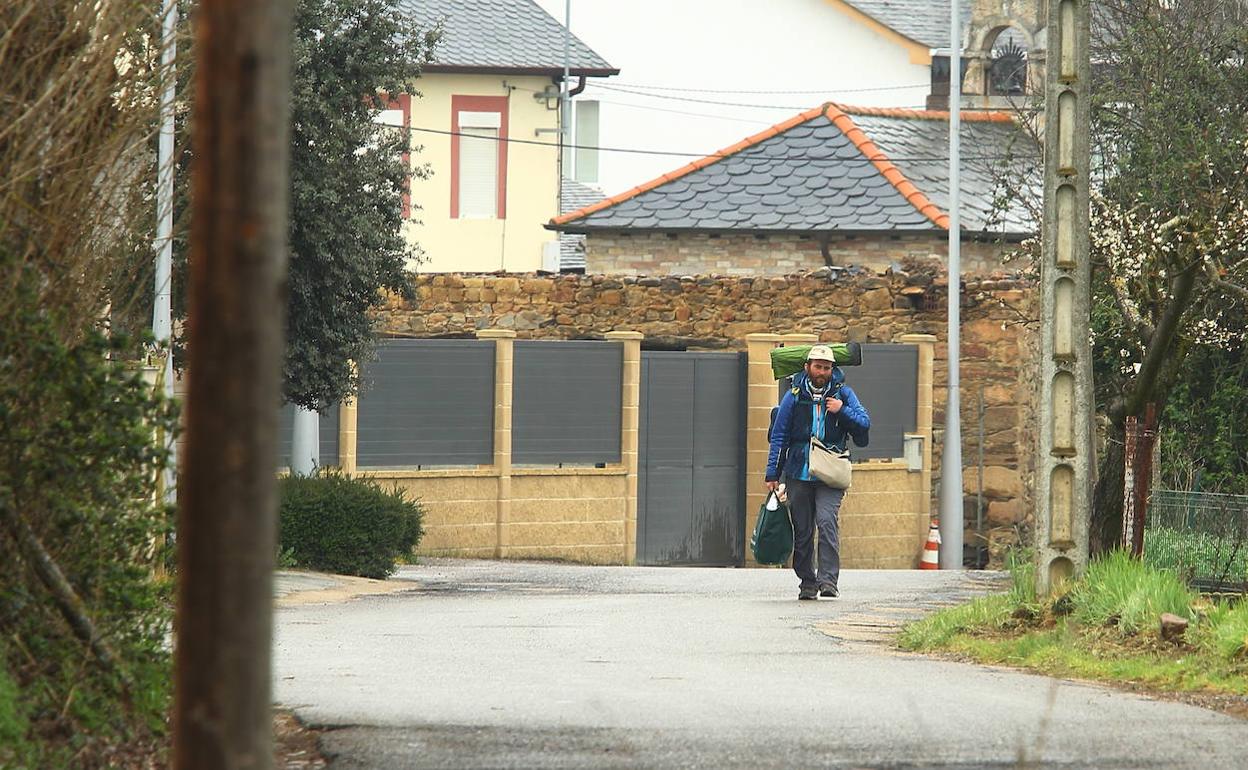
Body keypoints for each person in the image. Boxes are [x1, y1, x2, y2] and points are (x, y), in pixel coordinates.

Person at [765, 345, 870, 600]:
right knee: (802, 530)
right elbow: (779, 436)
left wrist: (841, 410)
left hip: (831, 471)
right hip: (798, 471)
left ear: (832, 369)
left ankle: (828, 581)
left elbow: (864, 425)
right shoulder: (793, 395)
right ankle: (807, 582)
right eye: (818, 367)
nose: (822, 372)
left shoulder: (843, 393)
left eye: (826, 367)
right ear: (807, 367)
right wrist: (772, 474)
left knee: (826, 521)